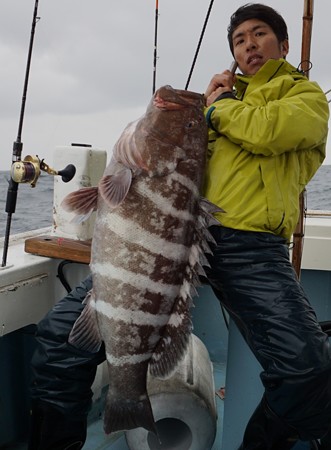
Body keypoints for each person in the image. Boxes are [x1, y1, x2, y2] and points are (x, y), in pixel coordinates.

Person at [28, 3, 331, 450]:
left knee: (308, 370)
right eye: (239, 40)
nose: (249, 44)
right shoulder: (217, 105)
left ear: (284, 46)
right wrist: (204, 109)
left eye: (259, 34)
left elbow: (272, 131)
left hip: (250, 248)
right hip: (171, 241)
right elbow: (164, 163)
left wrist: (214, 110)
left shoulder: (305, 98)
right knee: (58, 343)